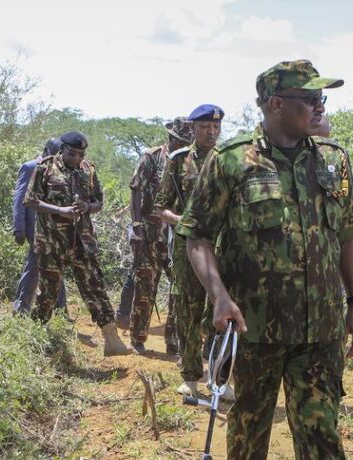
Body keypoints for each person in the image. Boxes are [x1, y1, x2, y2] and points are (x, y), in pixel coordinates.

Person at [178, 60, 353, 460]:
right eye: (309, 99)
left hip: (320, 329)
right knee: (250, 423)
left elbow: (348, 235)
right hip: (254, 326)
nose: (319, 107)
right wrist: (219, 296)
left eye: (321, 99)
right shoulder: (231, 161)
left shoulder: (333, 160)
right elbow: (196, 236)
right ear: (274, 104)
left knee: (321, 431)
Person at [26, 130, 132, 356]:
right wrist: (60, 210)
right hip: (52, 243)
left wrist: (87, 207)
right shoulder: (45, 168)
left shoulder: (89, 170)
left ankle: (112, 341)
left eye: (81, 154)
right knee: (48, 293)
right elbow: (31, 201)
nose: (76, 158)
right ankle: (35, 340)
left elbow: (98, 202)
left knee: (95, 288)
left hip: (82, 242)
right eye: (72, 154)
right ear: (62, 150)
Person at [155, 104, 225, 397]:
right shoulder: (178, 161)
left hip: (222, 245)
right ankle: (191, 376)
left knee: (221, 309)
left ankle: (220, 377)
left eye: (216, 127)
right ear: (193, 129)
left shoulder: (228, 159)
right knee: (188, 308)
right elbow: (160, 207)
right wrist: (181, 221)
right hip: (188, 245)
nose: (211, 132)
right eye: (205, 127)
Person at [120, 118, 192, 354]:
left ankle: (173, 341)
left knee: (179, 288)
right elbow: (136, 189)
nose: (183, 145)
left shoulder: (191, 162)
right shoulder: (152, 157)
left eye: (187, 142)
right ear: (170, 138)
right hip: (149, 235)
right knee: (145, 287)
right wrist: (136, 225)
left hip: (177, 236)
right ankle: (138, 338)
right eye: (179, 141)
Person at [12, 137, 66, 315]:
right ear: (46, 151)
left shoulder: (59, 170)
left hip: (52, 227)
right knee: (37, 266)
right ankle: (22, 308)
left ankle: (58, 309)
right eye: (56, 154)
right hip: (34, 226)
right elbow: (20, 199)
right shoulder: (30, 167)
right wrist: (18, 228)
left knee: (53, 265)